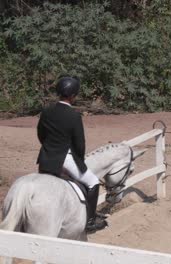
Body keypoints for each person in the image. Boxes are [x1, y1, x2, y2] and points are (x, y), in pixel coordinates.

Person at [36, 76, 107, 233]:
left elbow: (40, 134)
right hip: (65, 160)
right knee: (93, 182)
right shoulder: (74, 116)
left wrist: (49, 149)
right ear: (73, 96)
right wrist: (79, 161)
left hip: (45, 160)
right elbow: (79, 144)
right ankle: (90, 221)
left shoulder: (46, 112)